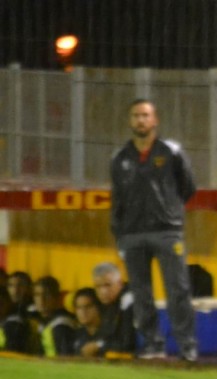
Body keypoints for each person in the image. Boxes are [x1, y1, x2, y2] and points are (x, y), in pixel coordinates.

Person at [110, 98, 199, 361]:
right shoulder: (120, 157)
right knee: (141, 294)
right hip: (132, 234)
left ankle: (186, 346)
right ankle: (152, 344)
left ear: (155, 119)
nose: (141, 120)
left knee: (178, 290)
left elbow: (188, 187)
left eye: (145, 115)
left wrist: (169, 211)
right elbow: (117, 198)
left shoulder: (171, 151)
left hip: (167, 231)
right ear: (130, 121)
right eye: (136, 115)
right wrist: (119, 233)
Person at [90, 262, 137, 359]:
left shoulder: (129, 300)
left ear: (120, 283)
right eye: (98, 287)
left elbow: (127, 343)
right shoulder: (109, 303)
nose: (103, 291)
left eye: (107, 285)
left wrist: (99, 346)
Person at [32, 276, 76, 357]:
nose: (41, 299)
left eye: (46, 294)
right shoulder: (43, 321)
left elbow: (65, 358)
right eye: (37, 295)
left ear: (56, 297)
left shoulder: (61, 325)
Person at [0, 271, 39, 354]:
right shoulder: (8, 311)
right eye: (11, 285)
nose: (15, 290)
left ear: (29, 288)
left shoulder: (34, 310)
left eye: (21, 285)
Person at [72, 287, 105, 357]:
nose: (83, 312)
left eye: (88, 306)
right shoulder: (77, 334)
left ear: (98, 307)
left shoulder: (110, 331)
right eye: (79, 308)